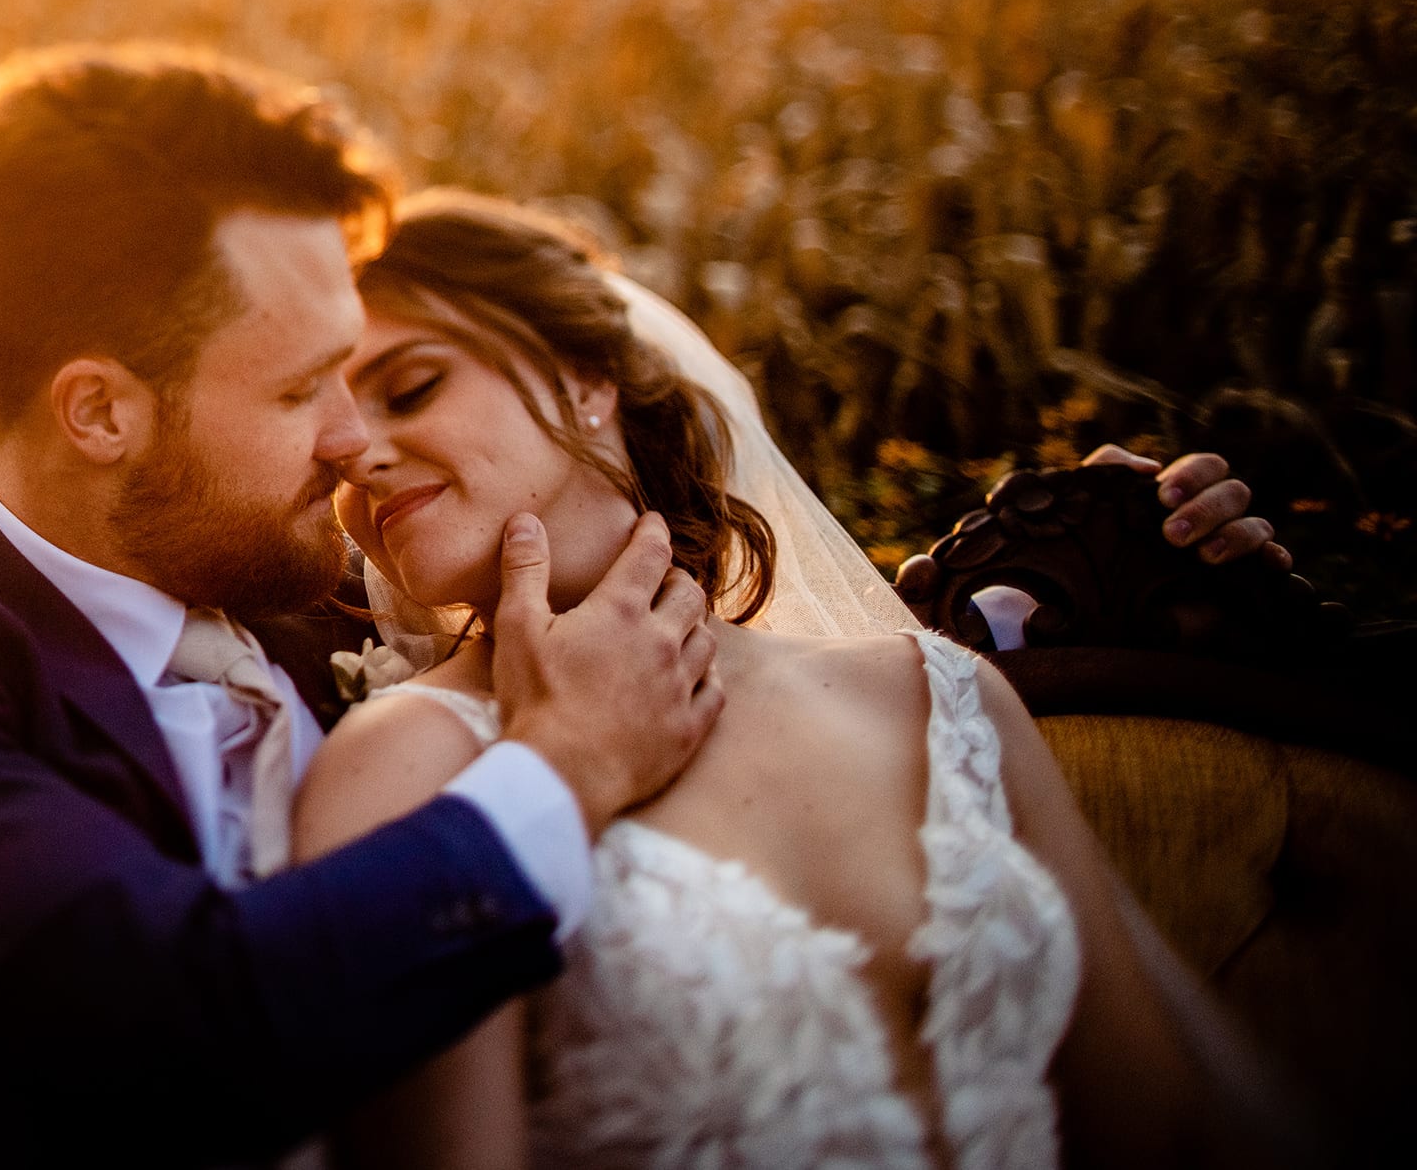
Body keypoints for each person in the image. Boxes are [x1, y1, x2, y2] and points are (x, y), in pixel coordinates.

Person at [0, 46, 725, 1168]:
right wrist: (567, 767)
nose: (349, 442)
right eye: (297, 390)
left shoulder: (330, 612)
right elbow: (171, 1039)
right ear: (99, 414)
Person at [295, 190, 1306, 1169]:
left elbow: (1156, 1127)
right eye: (328, 438)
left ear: (585, 377)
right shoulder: (401, 771)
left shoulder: (936, 695)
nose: (360, 457)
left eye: (413, 384)